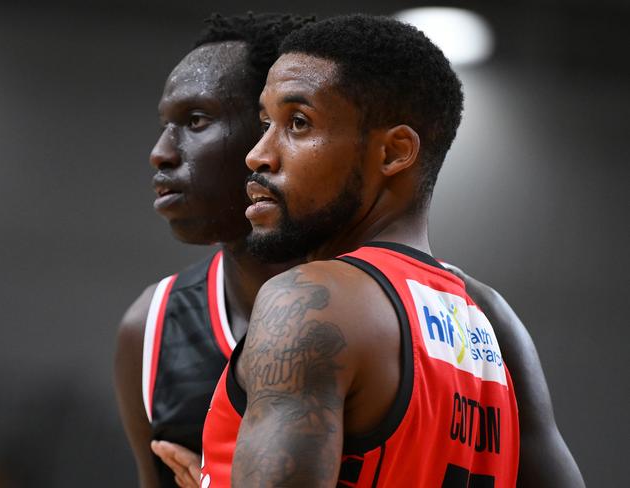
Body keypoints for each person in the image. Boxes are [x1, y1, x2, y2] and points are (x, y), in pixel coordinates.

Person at [195, 14, 586, 487]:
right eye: (265, 123)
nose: (258, 154)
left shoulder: (307, 304)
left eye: (298, 123)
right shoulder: (493, 321)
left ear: (394, 152)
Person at [113, 13, 313, 488]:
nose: (160, 151)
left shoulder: (407, 309)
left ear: (273, 131)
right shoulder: (149, 329)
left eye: (196, 120)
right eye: (167, 124)